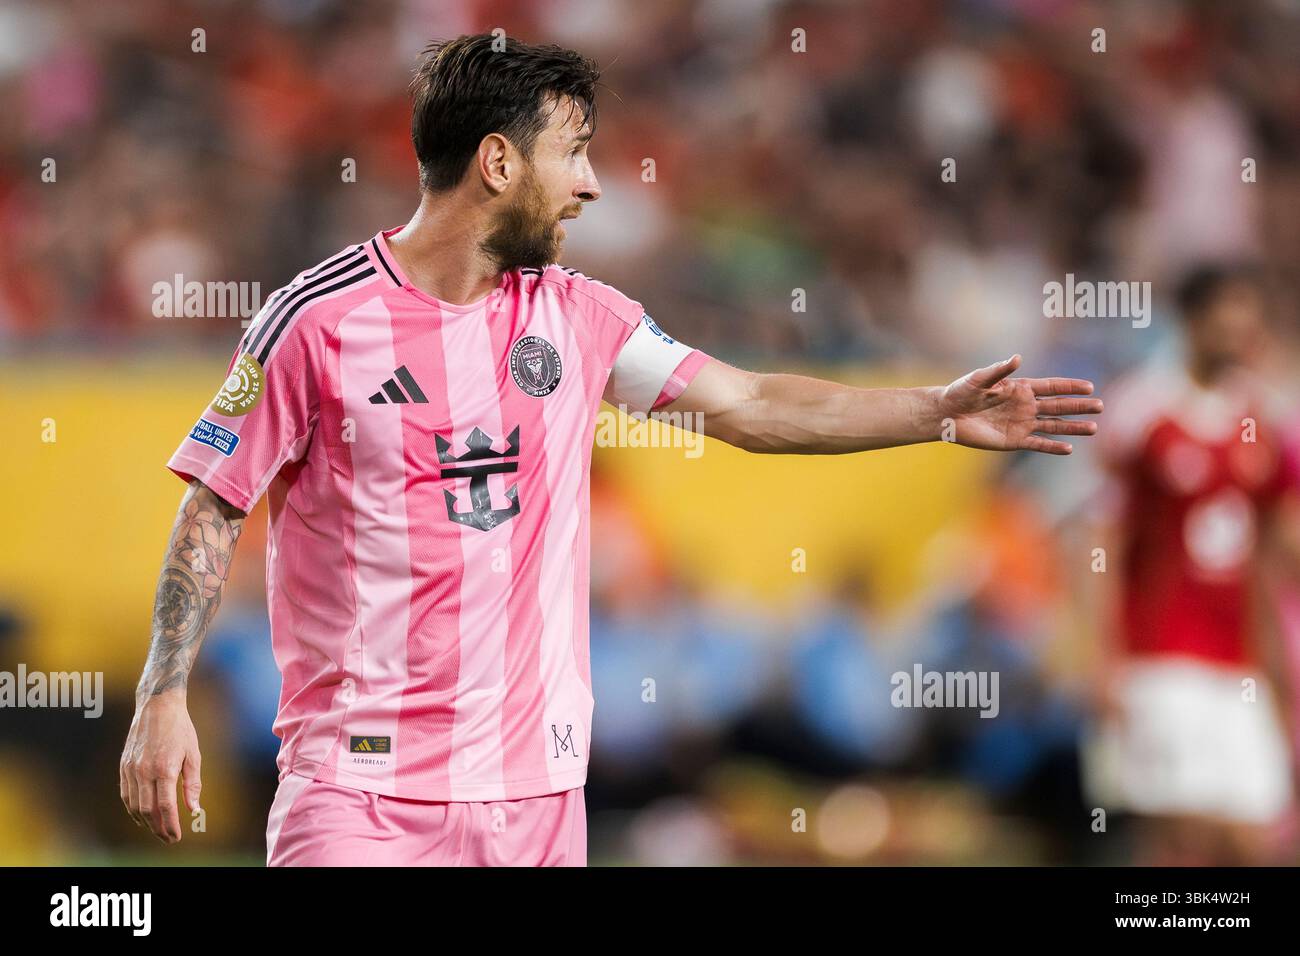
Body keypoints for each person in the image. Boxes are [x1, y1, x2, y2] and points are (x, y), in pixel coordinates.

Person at [120, 33, 1101, 866]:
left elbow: (751, 401)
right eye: (574, 154)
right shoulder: (317, 320)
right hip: (362, 792)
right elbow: (213, 502)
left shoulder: (579, 318)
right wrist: (163, 695)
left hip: (537, 799)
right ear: (500, 163)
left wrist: (934, 408)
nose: (590, 184)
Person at [1082, 264, 1295, 865]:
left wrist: (1278, 672)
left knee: (1256, 840)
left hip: (1237, 666)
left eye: (1246, 326)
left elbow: (1263, 562)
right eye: (1225, 323)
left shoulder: (1260, 422)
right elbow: (1098, 541)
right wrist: (1099, 654)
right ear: (1193, 323)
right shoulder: (1141, 410)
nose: (1237, 338)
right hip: (1159, 656)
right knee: (1182, 841)